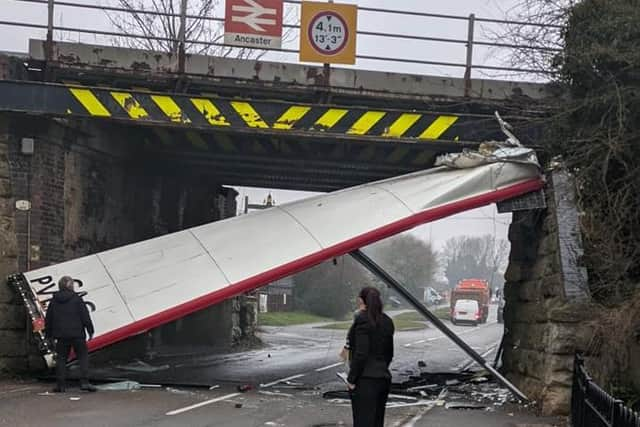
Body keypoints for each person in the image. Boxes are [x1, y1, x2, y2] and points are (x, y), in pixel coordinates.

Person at [346, 287, 395, 427]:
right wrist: (381, 368)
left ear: (362, 300)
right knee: (377, 421)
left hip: (366, 381)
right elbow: (389, 353)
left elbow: (361, 353)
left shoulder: (362, 320)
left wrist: (351, 379)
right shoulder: (387, 321)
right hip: (383, 379)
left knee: (363, 421)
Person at [44, 276, 96, 393]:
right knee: (82, 357)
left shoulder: (54, 301)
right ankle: (84, 383)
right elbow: (85, 316)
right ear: (70, 286)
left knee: (61, 359)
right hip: (77, 334)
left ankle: (61, 385)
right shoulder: (77, 299)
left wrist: (48, 335)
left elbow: (49, 319)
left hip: (61, 335)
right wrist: (90, 330)